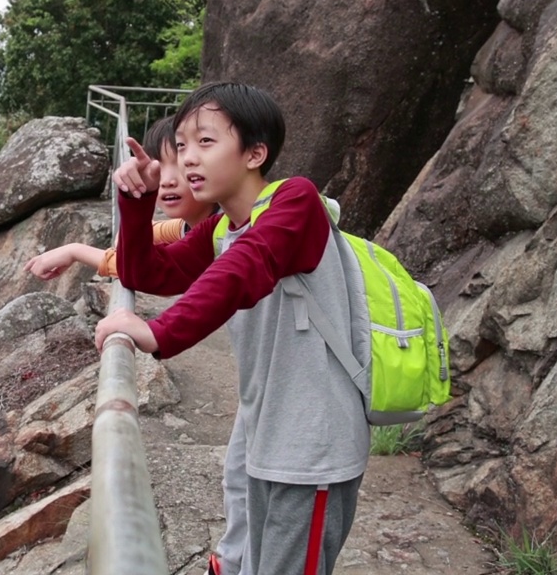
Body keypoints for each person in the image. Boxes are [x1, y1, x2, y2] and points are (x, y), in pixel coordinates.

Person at [95, 82, 369, 575]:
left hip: (313, 445)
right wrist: (138, 201)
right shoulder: (223, 227)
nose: (188, 159)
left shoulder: (296, 201)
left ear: (254, 153)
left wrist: (160, 332)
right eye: (180, 145)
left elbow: (246, 266)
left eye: (206, 142)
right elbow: (147, 274)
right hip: (268, 431)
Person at [24, 115, 216, 281]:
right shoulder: (192, 225)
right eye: (157, 169)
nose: (167, 181)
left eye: (181, 166)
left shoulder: (220, 233)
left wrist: (75, 251)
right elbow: (153, 231)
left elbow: (146, 273)